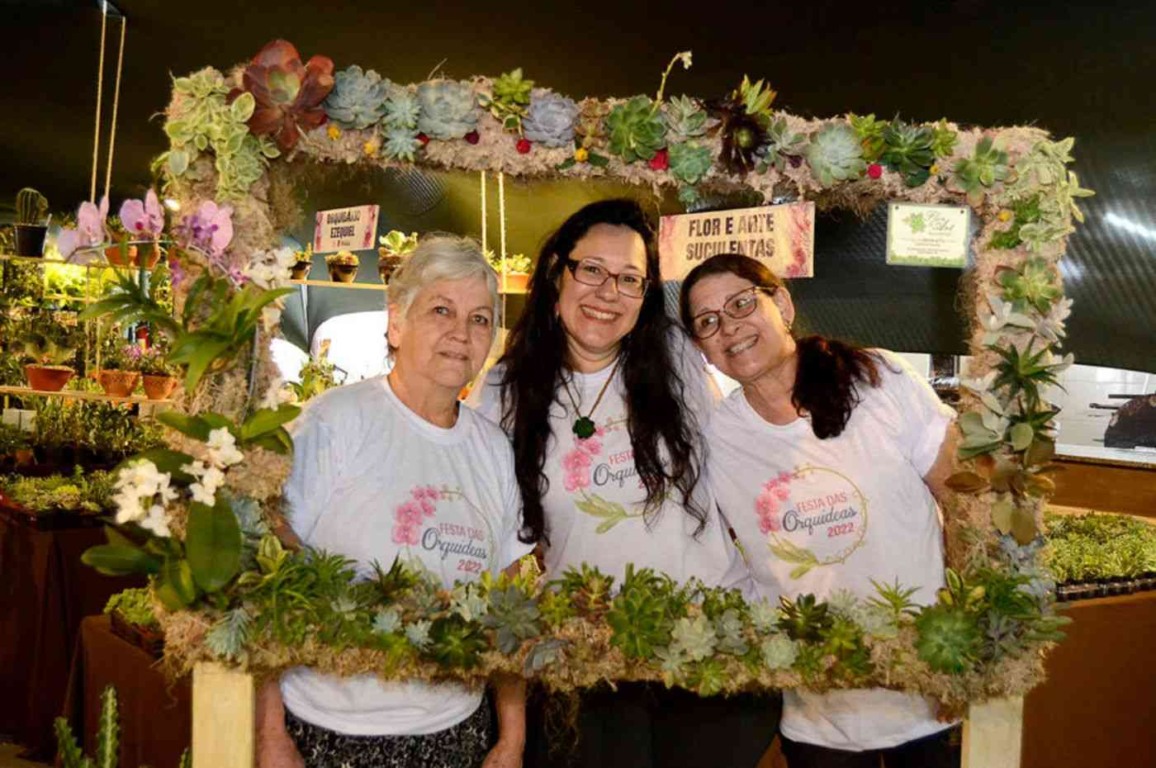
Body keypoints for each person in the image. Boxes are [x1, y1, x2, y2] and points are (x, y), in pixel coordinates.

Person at [469, 200, 776, 768]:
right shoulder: (506, 389)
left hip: (707, 654)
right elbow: (492, 534)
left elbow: (758, 434)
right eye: (592, 270)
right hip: (589, 666)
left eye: (630, 279)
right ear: (557, 271)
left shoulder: (679, 360)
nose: (608, 293)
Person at [257, 236, 532, 768]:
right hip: (330, 730)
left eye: (480, 319)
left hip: (455, 731)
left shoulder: (493, 449)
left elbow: (509, 599)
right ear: (397, 324)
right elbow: (265, 581)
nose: (461, 333)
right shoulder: (333, 422)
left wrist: (511, 737)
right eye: (441, 310)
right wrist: (270, 732)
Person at [679, 252, 961, 768]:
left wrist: (964, 641)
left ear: (782, 304)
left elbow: (964, 500)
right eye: (708, 322)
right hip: (817, 715)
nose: (730, 327)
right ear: (702, 349)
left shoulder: (878, 379)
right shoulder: (717, 439)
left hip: (925, 695)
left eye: (743, 303)